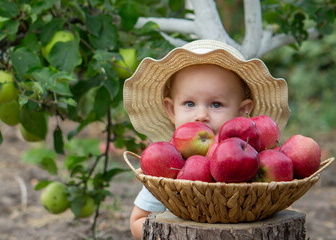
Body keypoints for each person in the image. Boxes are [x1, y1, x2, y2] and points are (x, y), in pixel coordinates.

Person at [123, 39, 291, 240]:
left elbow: (280, 212)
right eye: (189, 103)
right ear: (170, 110)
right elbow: (138, 220)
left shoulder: (254, 163)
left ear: (242, 112)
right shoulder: (166, 165)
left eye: (216, 105)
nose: (201, 115)